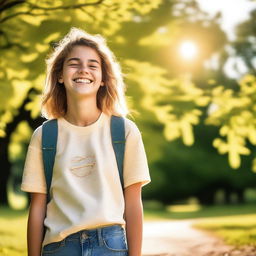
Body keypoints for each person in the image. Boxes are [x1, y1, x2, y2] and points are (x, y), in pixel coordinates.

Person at [21, 27, 151, 256]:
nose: (83, 70)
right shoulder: (44, 136)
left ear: (102, 79)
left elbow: (133, 204)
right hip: (59, 248)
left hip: (111, 246)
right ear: (60, 75)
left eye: (93, 65)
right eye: (74, 63)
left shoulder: (125, 132)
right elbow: (38, 207)